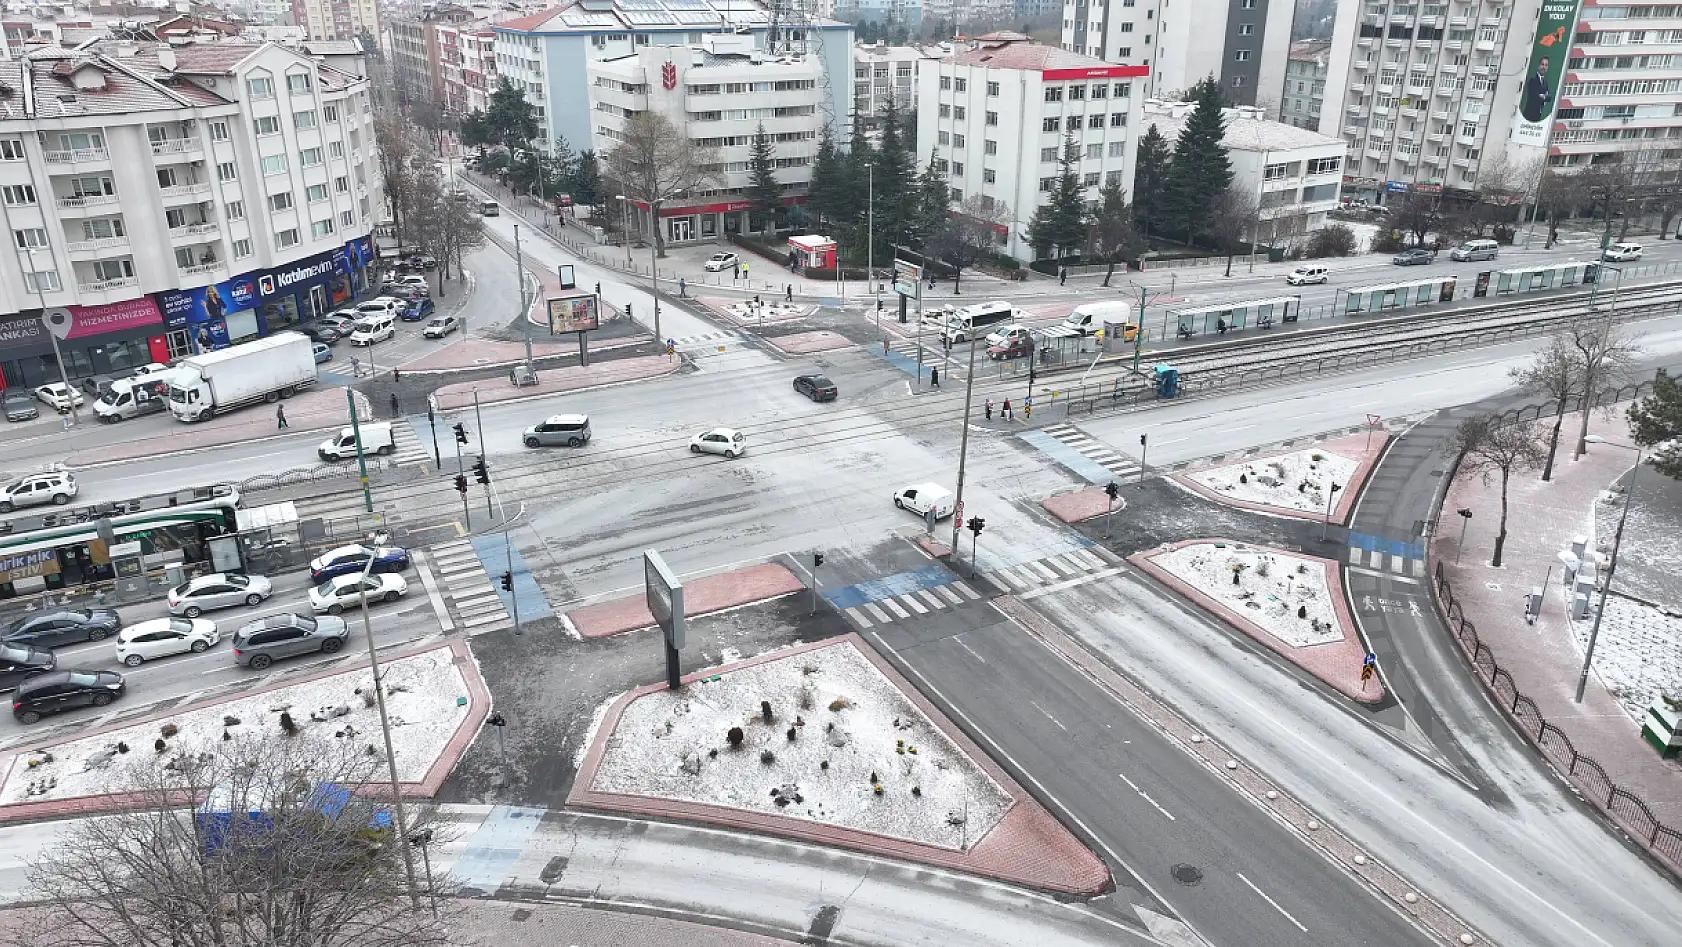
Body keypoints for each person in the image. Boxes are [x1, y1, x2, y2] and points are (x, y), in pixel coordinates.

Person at [1521, 55, 1553, 123]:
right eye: (1542, 64)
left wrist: (1543, 96)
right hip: (1529, 115)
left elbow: (1549, 97)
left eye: (1546, 65)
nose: (1544, 67)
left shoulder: (1545, 82)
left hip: (1538, 115)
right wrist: (1544, 97)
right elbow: (1534, 97)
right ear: (1538, 65)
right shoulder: (1532, 80)